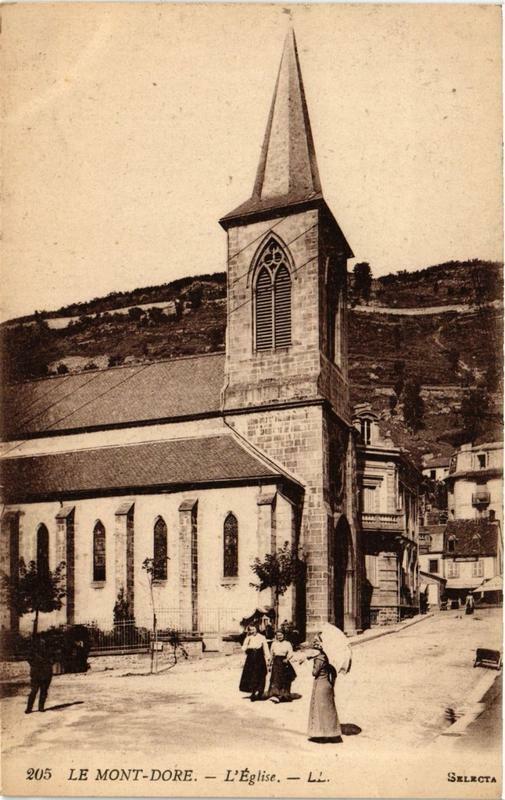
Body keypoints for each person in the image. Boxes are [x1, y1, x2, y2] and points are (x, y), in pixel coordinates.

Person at [307, 636, 342, 743]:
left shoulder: (319, 658)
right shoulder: (328, 657)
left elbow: (314, 673)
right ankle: (332, 732)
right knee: (329, 709)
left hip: (320, 685)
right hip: (327, 684)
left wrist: (313, 664)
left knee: (320, 709)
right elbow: (334, 672)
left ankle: (322, 734)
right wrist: (332, 684)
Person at [239, 624, 270, 701]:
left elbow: (265, 648)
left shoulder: (262, 637)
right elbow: (243, 648)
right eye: (251, 630)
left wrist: (268, 657)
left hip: (259, 657)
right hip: (251, 658)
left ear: (257, 629)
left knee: (260, 674)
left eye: (254, 629)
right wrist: (246, 640)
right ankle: (253, 692)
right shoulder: (248, 637)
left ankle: (260, 692)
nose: (252, 631)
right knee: (251, 674)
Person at [25, 634, 53, 714]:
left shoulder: (49, 649)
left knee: (44, 691)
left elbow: (54, 658)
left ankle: (41, 708)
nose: (43, 642)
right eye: (41, 640)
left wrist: (49, 663)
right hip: (36, 673)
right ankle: (29, 708)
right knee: (34, 691)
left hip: (46, 673)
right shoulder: (33, 650)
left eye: (44, 641)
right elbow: (29, 659)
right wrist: (35, 664)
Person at [267, 629, 296, 703]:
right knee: (276, 678)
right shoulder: (274, 643)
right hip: (276, 662)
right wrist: (270, 662)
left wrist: (287, 658)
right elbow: (271, 654)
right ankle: (275, 695)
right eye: (278, 635)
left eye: (281, 635)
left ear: (284, 635)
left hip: (284, 662)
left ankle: (284, 695)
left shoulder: (287, 643)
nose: (279, 637)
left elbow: (291, 653)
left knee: (284, 679)